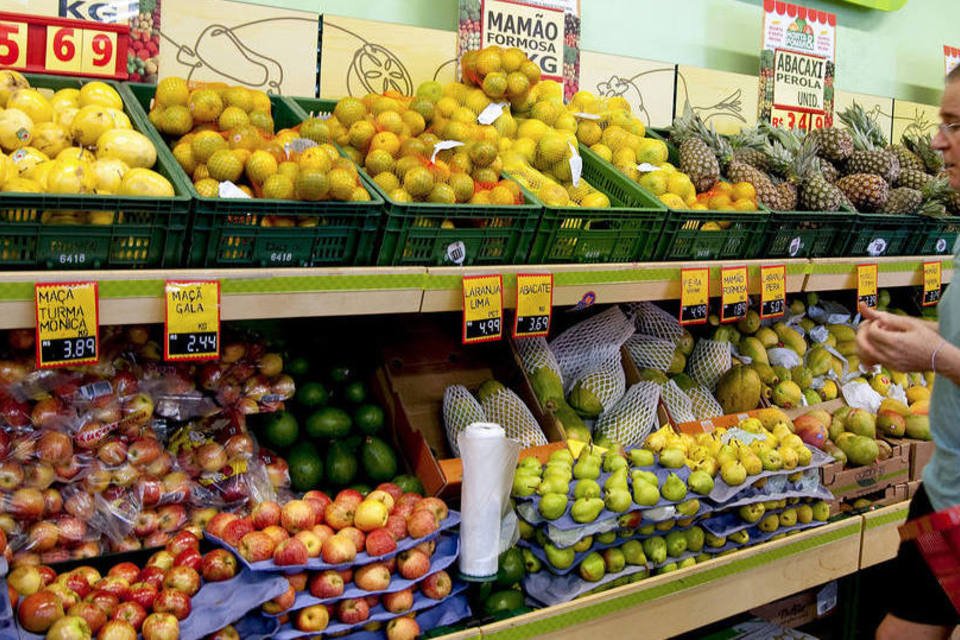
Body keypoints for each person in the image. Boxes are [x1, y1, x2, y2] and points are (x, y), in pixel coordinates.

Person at [857, 64, 960, 640]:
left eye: (954, 124)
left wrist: (937, 357)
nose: (937, 140)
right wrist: (912, 335)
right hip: (945, 495)